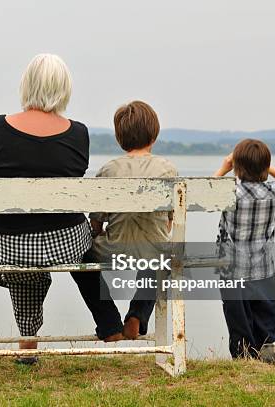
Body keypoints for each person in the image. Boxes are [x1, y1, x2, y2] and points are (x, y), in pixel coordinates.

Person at [0, 54, 92, 364]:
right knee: (44, 242)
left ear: (26, 85)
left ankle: (23, 343)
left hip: (8, 245)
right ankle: (30, 346)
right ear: (64, 89)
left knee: (14, 244)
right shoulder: (79, 133)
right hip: (65, 246)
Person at [71, 100, 177, 341]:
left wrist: (99, 232)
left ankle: (109, 324)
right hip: (154, 250)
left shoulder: (109, 170)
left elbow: (96, 224)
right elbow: (170, 221)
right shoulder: (167, 169)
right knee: (160, 255)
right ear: (154, 134)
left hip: (113, 249)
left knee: (79, 258)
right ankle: (137, 314)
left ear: (120, 138)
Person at [214, 139, 275, 358]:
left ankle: (244, 361)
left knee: (239, 327)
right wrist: (267, 167)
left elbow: (203, 192)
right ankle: (270, 356)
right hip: (264, 272)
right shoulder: (271, 192)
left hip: (232, 272)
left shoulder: (229, 193)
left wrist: (224, 166)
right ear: (265, 168)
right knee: (266, 323)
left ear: (237, 167)